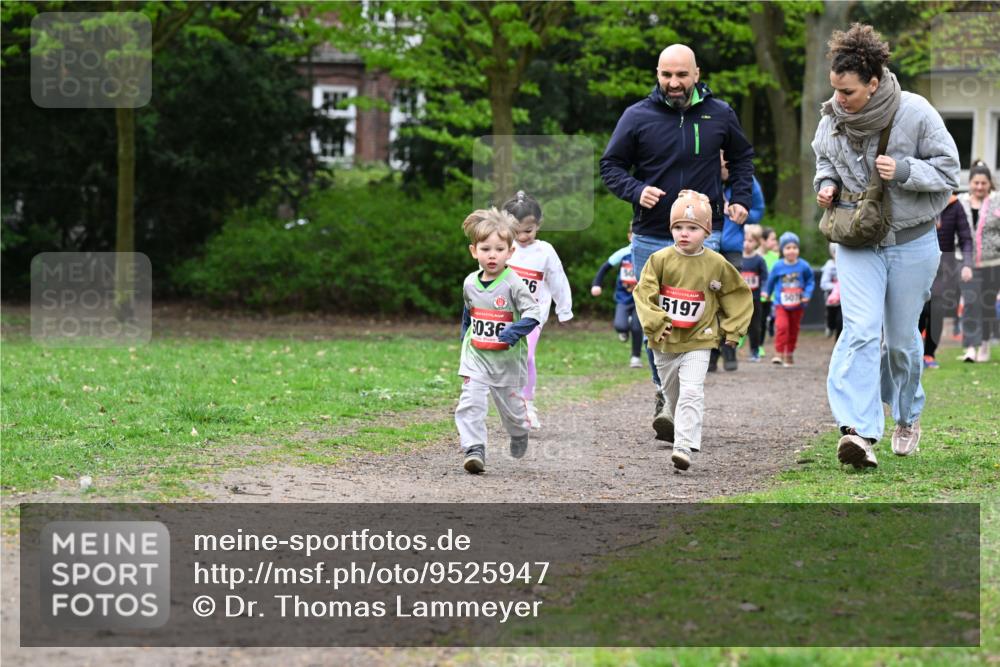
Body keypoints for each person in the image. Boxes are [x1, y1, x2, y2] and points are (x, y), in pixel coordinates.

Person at [813, 23, 960, 468]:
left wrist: (905, 170)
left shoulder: (915, 112)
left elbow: (949, 171)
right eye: (835, 89)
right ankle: (858, 431)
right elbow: (824, 160)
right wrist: (826, 184)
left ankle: (907, 416)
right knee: (859, 330)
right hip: (857, 241)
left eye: (849, 92)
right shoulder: (831, 118)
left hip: (911, 242)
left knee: (900, 342)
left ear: (873, 83)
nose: (839, 99)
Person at [600, 43, 755, 404]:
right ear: (657, 74)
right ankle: (665, 392)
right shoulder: (637, 116)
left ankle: (682, 394)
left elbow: (742, 157)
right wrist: (637, 191)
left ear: (696, 74)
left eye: (682, 75)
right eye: (667, 74)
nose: (674, 82)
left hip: (705, 232)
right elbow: (611, 165)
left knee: (695, 316)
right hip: (651, 233)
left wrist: (741, 198)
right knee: (654, 316)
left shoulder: (720, 113)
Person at [633, 190, 753, 470]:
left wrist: (733, 329)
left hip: (701, 338)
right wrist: (656, 322)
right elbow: (644, 294)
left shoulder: (716, 263)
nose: (684, 233)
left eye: (692, 228)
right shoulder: (659, 259)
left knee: (691, 391)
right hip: (665, 342)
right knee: (673, 394)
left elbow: (736, 294)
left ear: (707, 231)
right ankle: (679, 427)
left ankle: (683, 446)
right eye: (678, 227)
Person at [456, 208, 542, 474]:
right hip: (476, 357)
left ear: (510, 252)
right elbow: (468, 311)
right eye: (485, 249)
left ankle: (519, 432)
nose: (492, 255)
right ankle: (474, 449)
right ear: (474, 251)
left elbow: (534, 314)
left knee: (513, 412)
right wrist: (465, 335)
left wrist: (514, 331)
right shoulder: (470, 282)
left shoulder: (514, 283)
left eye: (499, 249)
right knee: (470, 402)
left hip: (507, 362)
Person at [503, 191, 574, 429]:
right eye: (517, 231)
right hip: (502, 315)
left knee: (527, 356)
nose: (522, 237)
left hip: (532, 317)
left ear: (538, 225)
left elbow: (557, 279)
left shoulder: (545, 251)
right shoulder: (503, 248)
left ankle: (527, 404)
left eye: (528, 230)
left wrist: (564, 309)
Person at [714, 152, 767, 371]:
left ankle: (729, 349)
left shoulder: (746, 180)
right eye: (720, 165)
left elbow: (758, 211)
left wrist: (740, 213)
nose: (723, 169)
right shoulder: (704, 174)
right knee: (708, 300)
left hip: (732, 249)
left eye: (727, 165)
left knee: (729, 301)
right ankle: (709, 353)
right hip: (706, 246)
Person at [919, 193, 973, 368]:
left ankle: (929, 354)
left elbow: (965, 238)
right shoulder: (919, 198)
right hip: (917, 263)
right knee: (920, 309)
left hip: (944, 267)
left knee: (936, 310)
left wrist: (967, 264)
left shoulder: (954, 205)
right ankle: (914, 350)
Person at [957, 161, 1000, 362]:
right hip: (966, 262)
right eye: (976, 183)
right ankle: (970, 348)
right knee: (970, 303)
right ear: (970, 183)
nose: (980, 187)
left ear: (990, 183)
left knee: (988, 305)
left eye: (984, 183)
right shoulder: (960, 202)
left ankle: (984, 345)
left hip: (993, 263)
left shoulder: (997, 201)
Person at [591, 227, 644, 368]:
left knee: (637, 327)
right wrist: (596, 284)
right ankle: (624, 329)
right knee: (620, 325)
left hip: (640, 299)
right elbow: (605, 267)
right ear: (629, 236)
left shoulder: (647, 254)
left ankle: (636, 357)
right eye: (634, 235)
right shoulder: (623, 253)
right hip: (623, 297)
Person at [762, 232, 815, 367]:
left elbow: (810, 281)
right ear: (782, 250)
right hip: (781, 303)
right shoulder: (778, 266)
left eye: (794, 247)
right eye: (788, 248)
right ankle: (779, 353)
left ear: (798, 249)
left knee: (793, 330)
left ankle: (789, 354)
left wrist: (807, 294)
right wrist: (767, 292)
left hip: (798, 304)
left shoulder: (804, 266)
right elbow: (771, 281)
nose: (791, 251)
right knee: (782, 326)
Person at [739, 224, 769, 361]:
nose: (746, 243)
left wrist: (764, 291)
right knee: (736, 323)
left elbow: (765, 278)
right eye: (744, 240)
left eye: (750, 241)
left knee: (755, 326)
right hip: (739, 299)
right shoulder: (737, 258)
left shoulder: (759, 260)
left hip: (755, 299)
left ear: (757, 242)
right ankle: (730, 350)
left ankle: (755, 351)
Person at [758, 226, 781, 358]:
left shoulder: (775, 257)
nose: (775, 242)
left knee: (762, 322)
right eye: (772, 239)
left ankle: (759, 346)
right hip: (754, 295)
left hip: (769, 297)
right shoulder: (754, 256)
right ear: (763, 240)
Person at [820, 243, 843, 340]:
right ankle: (830, 327)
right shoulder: (829, 266)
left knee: (841, 322)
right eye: (835, 252)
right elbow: (823, 284)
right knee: (832, 320)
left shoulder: (848, 265)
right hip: (832, 300)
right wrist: (836, 287)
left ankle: (838, 343)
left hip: (844, 299)